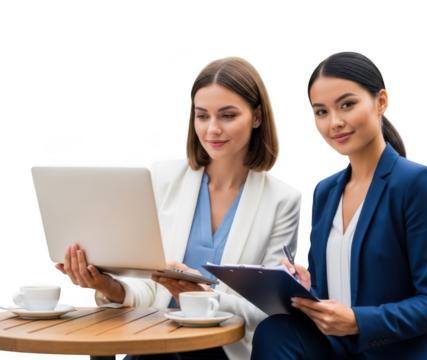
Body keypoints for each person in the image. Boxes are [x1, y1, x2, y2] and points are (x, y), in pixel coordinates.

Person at [54, 55, 303, 360]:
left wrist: (204, 299)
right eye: (202, 116)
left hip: (221, 348)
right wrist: (109, 285)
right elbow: (146, 287)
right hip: (152, 337)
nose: (212, 129)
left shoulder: (283, 200)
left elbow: (269, 311)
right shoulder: (161, 177)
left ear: (257, 116)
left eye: (227, 115)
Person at [251, 51, 427, 360]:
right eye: (321, 112)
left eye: (347, 104)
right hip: (341, 349)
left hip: (399, 352)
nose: (335, 122)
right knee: (275, 330)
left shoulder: (417, 184)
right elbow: (331, 292)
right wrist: (307, 287)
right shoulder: (325, 191)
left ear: (381, 102)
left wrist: (358, 321)